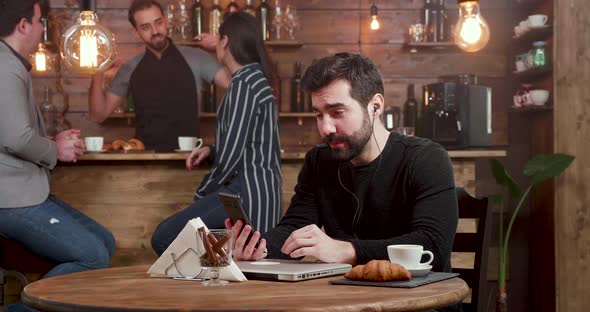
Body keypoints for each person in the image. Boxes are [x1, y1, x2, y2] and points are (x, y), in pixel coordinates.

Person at [228, 53, 458, 282]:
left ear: (375, 106)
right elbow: (295, 228)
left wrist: (347, 251)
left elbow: (431, 245)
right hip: (349, 298)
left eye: (337, 112)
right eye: (319, 114)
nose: (325, 128)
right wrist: (261, 247)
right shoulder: (319, 161)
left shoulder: (426, 158)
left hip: (422, 301)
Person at [0, 1, 115, 310]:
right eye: (39, 21)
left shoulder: (11, 64)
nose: (42, 28)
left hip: (25, 193)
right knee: (92, 256)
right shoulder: (5, 66)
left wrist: (52, 140)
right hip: (10, 200)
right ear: (23, 25)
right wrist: (55, 149)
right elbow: (14, 138)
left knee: (104, 241)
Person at [150, 12, 282, 255]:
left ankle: (208, 281)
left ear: (225, 41)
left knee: (163, 238)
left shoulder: (244, 83)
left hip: (244, 194)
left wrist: (201, 193)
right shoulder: (256, 79)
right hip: (259, 195)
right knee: (234, 260)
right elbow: (247, 142)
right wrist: (211, 150)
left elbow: (232, 156)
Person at [88, 0, 231, 152]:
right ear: (136, 33)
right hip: (145, 160)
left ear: (166, 22)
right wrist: (97, 73)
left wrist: (222, 46)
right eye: (146, 27)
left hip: (189, 158)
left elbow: (234, 83)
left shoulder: (196, 57)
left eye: (158, 23)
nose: (155, 31)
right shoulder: (129, 68)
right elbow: (99, 115)